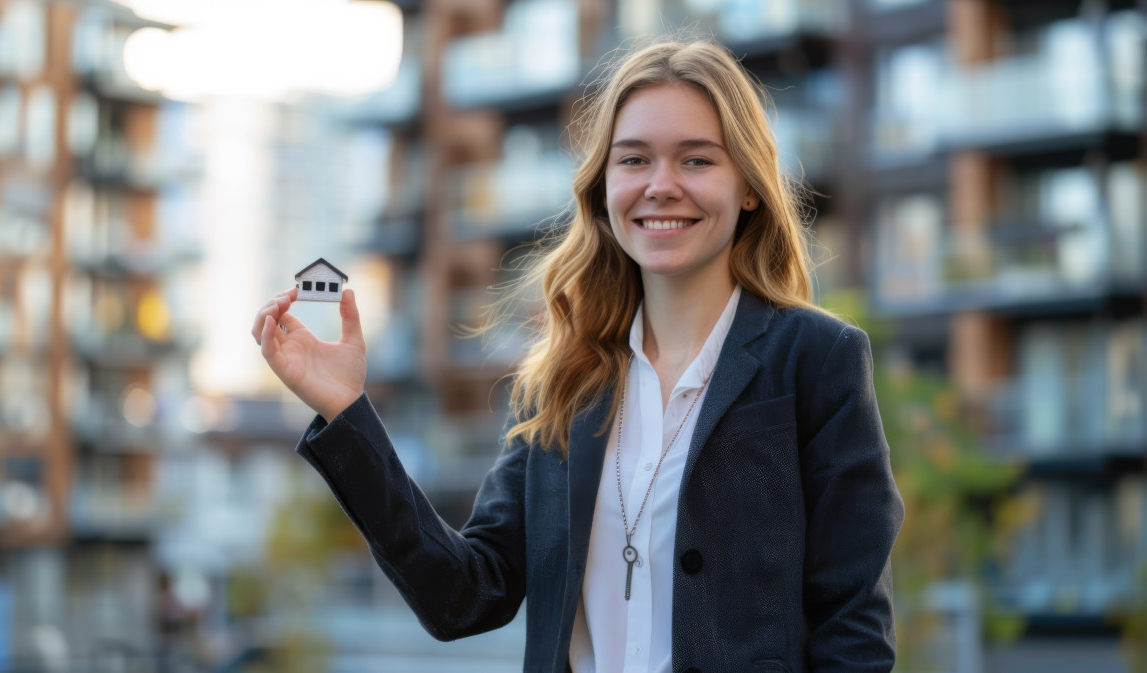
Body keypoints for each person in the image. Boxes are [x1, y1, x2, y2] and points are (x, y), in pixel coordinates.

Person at [252, 38, 904, 673]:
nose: (661, 185)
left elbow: (853, 629)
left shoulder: (820, 361)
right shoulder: (563, 379)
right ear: (602, 186)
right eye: (634, 160)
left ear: (750, 185)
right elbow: (463, 595)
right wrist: (346, 411)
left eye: (698, 160)